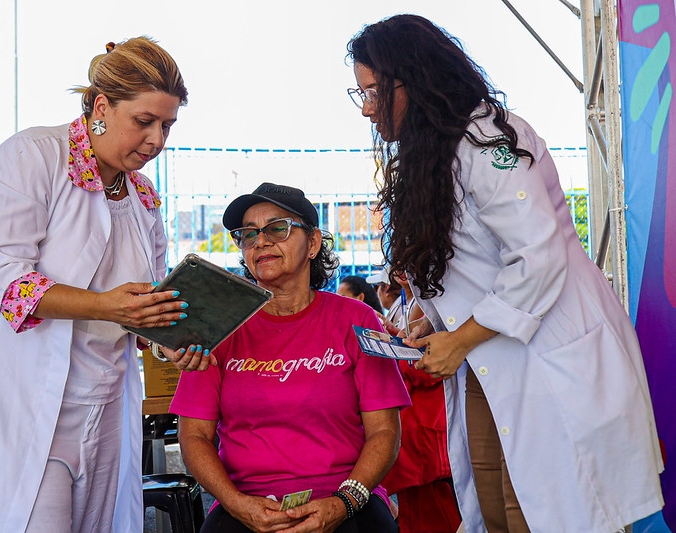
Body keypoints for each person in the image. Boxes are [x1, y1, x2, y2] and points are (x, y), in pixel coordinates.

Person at [347, 14, 664, 532]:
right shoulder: (436, 151)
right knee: (497, 509)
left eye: (376, 92)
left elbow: (537, 255)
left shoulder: (486, 138)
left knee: (541, 513)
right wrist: (435, 319)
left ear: (417, 78)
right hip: (491, 360)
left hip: (547, 358)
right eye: (359, 93)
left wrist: (461, 337)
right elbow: (474, 266)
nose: (366, 109)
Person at [0, 37, 209, 533]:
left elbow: (146, 303)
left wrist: (170, 340)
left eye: (167, 125)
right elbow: (3, 281)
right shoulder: (32, 157)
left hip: (103, 408)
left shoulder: (143, 196)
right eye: (144, 122)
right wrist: (109, 307)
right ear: (102, 107)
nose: (156, 141)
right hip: (13, 405)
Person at [170, 182, 411, 533]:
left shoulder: (357, 320)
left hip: (344, 500)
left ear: (313, 243)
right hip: (247, 504)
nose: (261, 242)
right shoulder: (219, 327)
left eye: (277, 228)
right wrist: (237, 504)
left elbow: (385, 431)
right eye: (247, 235)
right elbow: (194, 437)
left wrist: (344, 502)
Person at [381, 270, 460, 533]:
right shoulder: (416, 300)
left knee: (437, 516)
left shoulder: (440, 300)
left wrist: (395, 350)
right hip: (416, 435)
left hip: (430, 434)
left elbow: (431, 367)